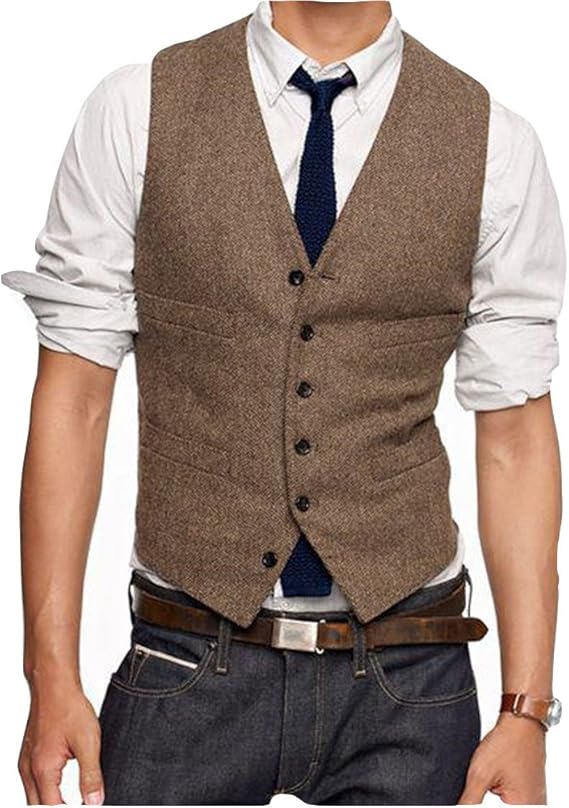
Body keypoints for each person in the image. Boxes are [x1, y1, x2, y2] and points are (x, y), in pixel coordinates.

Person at [2, 1, 565, 804]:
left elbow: (514, 435)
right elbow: (74, 401)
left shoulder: (493, 143)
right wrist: (49, 671)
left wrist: (525, 708)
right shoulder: (139, 107)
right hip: (185, 658)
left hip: (409, 669)